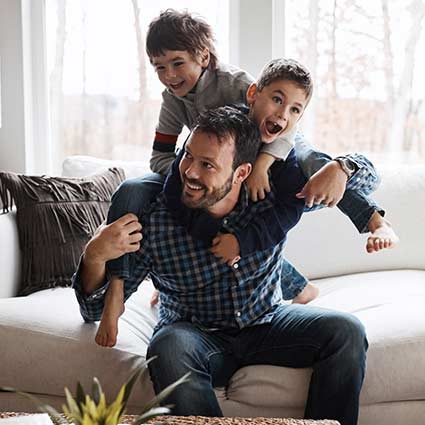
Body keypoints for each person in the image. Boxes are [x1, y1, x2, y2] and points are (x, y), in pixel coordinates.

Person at [98, 10, 398, 346]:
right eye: (159, 67)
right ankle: (118, 287)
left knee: (316, 167)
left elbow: (280, 127)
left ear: (204, 57)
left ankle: (374, 221)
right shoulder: (173, 101)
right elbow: (160, 157)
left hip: (271, 150)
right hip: (218, 173)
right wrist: (195, 174)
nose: (169, 75)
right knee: (133, 189)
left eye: (177, 63)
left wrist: (263, 164)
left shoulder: (236, 86)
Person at [73, 107, 368, 425]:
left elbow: (367, 183)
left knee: (346, 330)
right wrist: (94, 256)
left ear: (242, 172)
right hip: (196, 334)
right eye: (188, 156)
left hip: (267, 320)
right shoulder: (156, 222)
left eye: (207, 165)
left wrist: (343, 167)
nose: (190, 172)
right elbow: (93, 312)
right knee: (168, 346)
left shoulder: (270, 200)